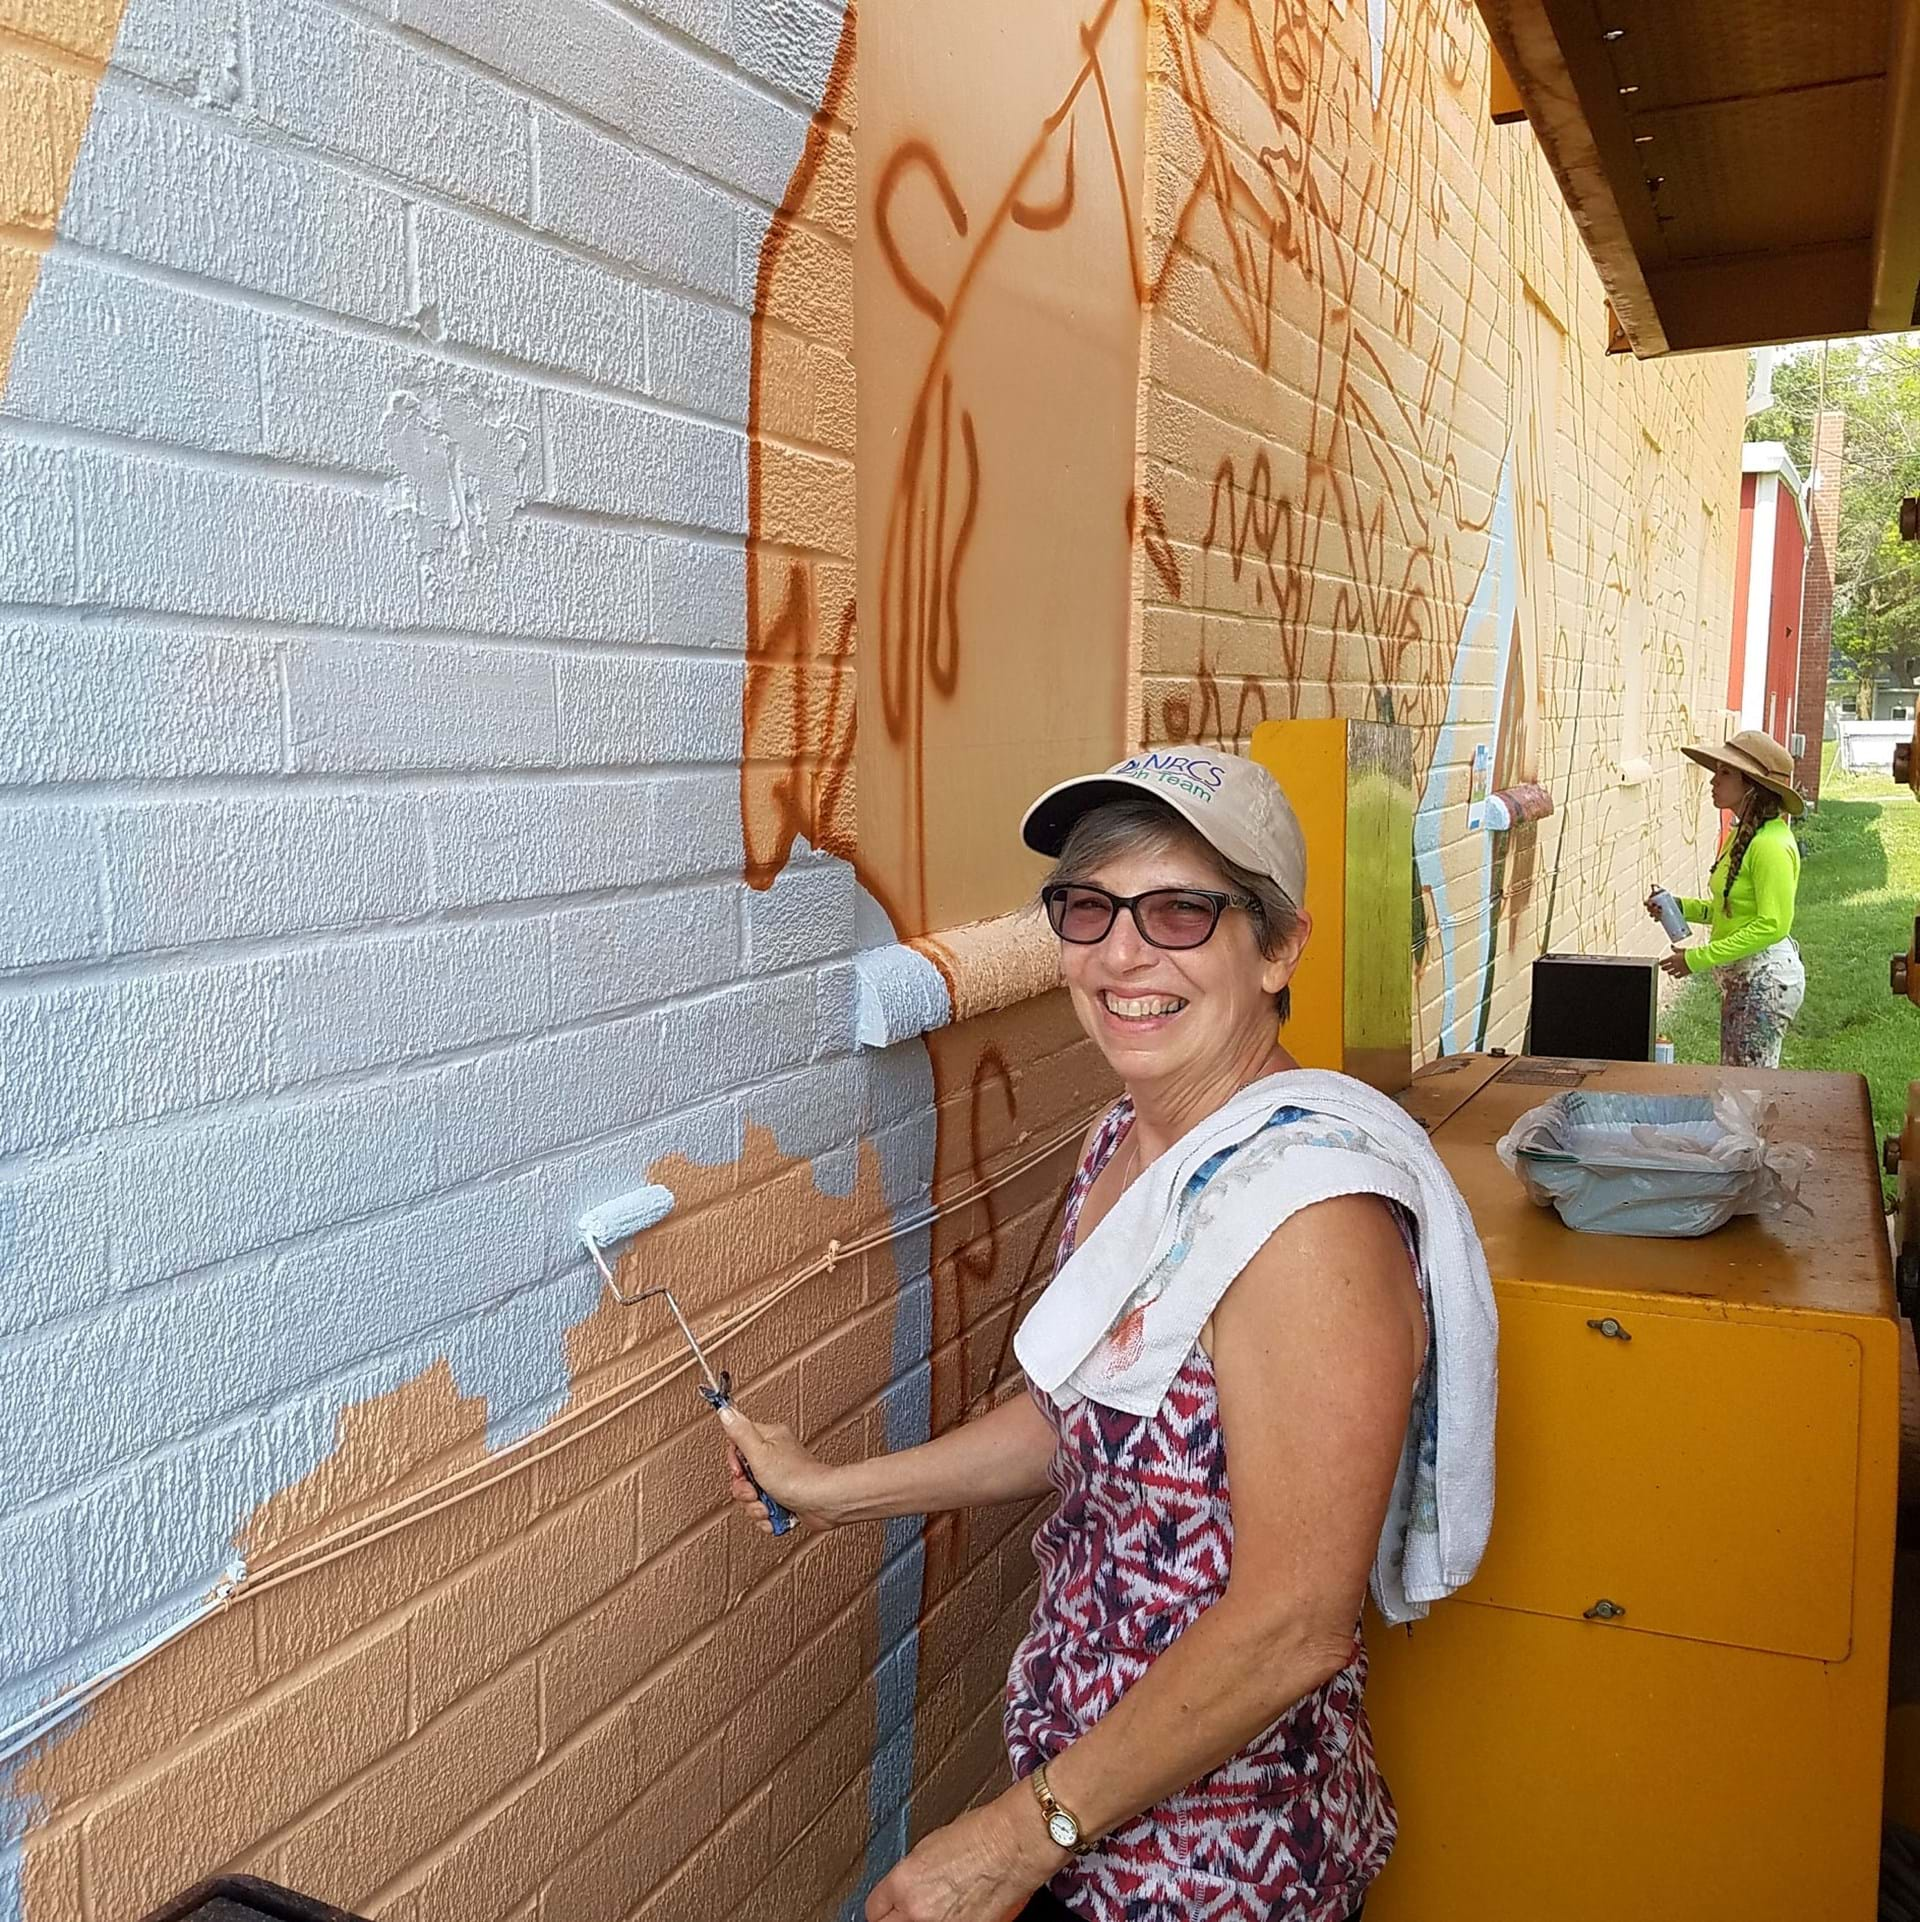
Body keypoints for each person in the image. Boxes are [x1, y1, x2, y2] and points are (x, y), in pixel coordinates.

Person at [718, 749, 1495, 1922]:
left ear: (1278, 946)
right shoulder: (1125, 1146)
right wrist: (833, 1489)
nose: (1123, 953)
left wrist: (1013, 1841)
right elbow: (1077, 1411)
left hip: (1217, 1866)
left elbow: (1294, 1623)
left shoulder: (1310, 1222)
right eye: (1090, 908)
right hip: (1090, 1802)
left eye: (1182, 909)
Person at [1646, 729, 1806, 1069]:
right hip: (1745, 982)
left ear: (1751, 785)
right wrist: (1676, 907)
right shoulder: (1743, 835)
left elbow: (1772, 925)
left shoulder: (1771, 845)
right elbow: (1728, 909)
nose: (1713, 781)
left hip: (1763, 984)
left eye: (1725, 772)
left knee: (1747, 1092)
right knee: (1737, 1086)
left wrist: (1698, 958)